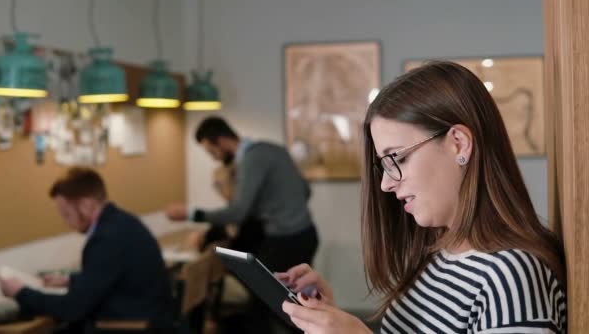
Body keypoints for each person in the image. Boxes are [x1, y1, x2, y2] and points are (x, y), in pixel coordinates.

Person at [278, 61, 567, 333]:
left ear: (458, 144)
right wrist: (330, 316)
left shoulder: (511, 275)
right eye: (385, 164)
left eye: (397, 158)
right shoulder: (440, 254)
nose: (385, 184)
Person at [166, 117, 319, 333]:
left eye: (213, 152)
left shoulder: (250, 160)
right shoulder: (273, 149)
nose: (216, 159)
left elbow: (237, 213)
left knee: (269, 304)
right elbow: (305, 191)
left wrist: (190, 213)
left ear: (221, 141)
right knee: (293, 302)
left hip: (285, 240)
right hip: (307, 235)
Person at [0, 167, 173, 333]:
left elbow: (71, 308)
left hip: (129, 328)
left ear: (86, 205)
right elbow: (111, 277)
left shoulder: (104, 239)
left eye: (67, 214)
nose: (66, 223)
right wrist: (71, 281)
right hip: (153, 321)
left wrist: (20, 292)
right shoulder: (123, 222)